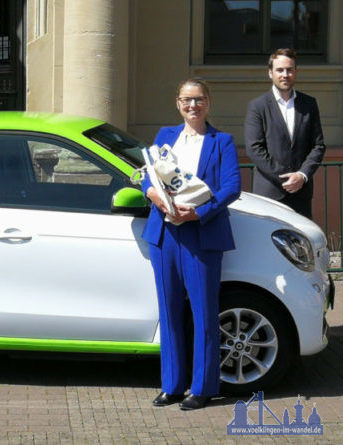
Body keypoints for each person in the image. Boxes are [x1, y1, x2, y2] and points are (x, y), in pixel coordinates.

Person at [141, 78, 241, 410]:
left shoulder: (221, 141)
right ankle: (172, 386)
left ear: (208, 102)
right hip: (165, 233)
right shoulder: (164, 137)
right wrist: (153, 194)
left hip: (202, 233)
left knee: (204, 313)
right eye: (186, 100)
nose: (192, 106)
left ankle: (203, 387)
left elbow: (231, 187)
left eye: (198, 99)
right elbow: (148, 176)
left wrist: (198, 213)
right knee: (169, 310)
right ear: (178, 103)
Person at [244, 48, 326, 219]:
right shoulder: (258, 106)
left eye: (289, 69)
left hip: (301, 193)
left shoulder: (309, 104)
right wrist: (285, 178)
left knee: (301, 243)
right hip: (269, 194)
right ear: (270, 73)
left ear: (295, 72)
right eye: (279, 70)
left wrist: (301, 176)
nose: (285, 74)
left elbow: (318, 145)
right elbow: (254, 148)